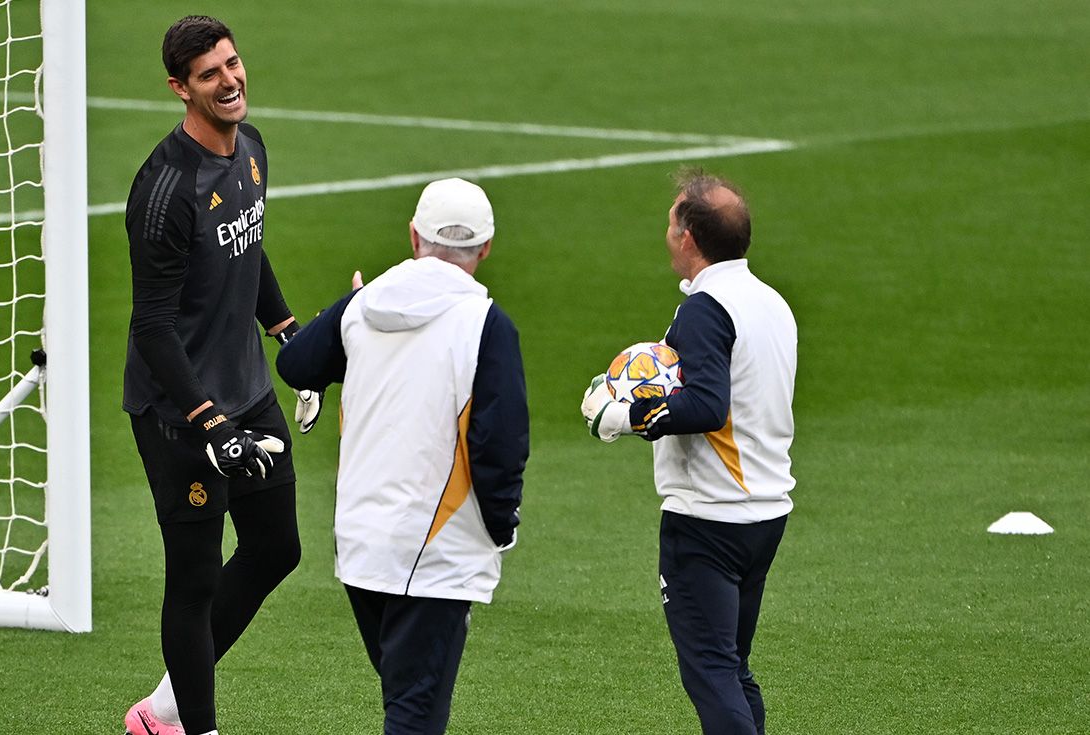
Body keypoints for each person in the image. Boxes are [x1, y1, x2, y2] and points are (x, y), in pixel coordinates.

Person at [120, 16, 322, 735]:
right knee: (196, 575)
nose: (229, 81)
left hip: (247, 388)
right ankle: (194, 728)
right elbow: (152, 327)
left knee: (276, 547)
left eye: (232, 64)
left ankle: (165, 708)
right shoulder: (164, 190)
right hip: (179, 411)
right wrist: (207, 420)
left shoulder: (253, 148)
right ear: (180, 88)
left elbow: (249, 247)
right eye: (209, 74)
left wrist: (290, 334)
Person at [276, 178, 529, 735]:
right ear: (486, 248)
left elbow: (296, 365)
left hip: (362, 543)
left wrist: (349, 314)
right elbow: (500, 445)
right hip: (436, 550)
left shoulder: (364, 306)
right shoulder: (488, 325)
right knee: (416, 714)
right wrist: (501, 525)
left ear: (413, 235)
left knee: (404, 701)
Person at [581, 169, 797, 735]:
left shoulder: (707, 308)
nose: (668, 229)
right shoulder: (771, 302)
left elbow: (705, 406)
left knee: (710, 672)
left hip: (709, 520)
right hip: (765, 512)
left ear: (689, 238)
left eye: (673, 219)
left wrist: (625, 416)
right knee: (732, 667)